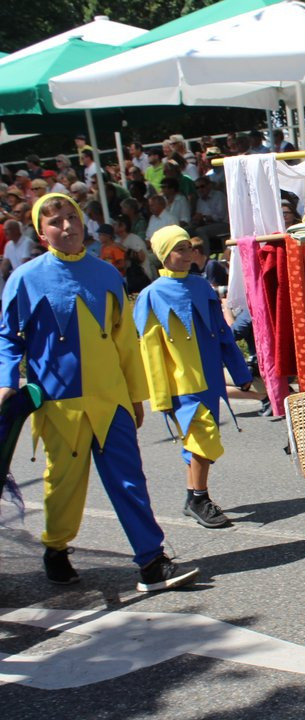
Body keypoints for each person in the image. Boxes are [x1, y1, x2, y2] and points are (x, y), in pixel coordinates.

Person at [0, 194, 199, 591]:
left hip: (112, 401)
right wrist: (8, 383)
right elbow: (8, 337)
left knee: (130, 481)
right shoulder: (24, 278)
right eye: (55, 221)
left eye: (72, 216)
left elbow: (126, 342)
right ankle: (55, 548)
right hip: (59, 403)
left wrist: (136, 395)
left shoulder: (108, 274)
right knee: (63, 484)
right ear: (41, 233)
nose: (68, 226)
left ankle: (152, 562)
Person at [135, 226, 253, 528]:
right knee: (203, 439)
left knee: (196, 441)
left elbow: (223, 333)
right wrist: (159, 397)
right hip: (180, 383)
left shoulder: (202, 287)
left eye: (189, 247)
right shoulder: (150, 296)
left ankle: (192, 497)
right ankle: (200, 497)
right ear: (164, 255)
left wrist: (239, 372)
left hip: (211, 378)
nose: (188, 254)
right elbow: (150, 351)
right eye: (180, 249)